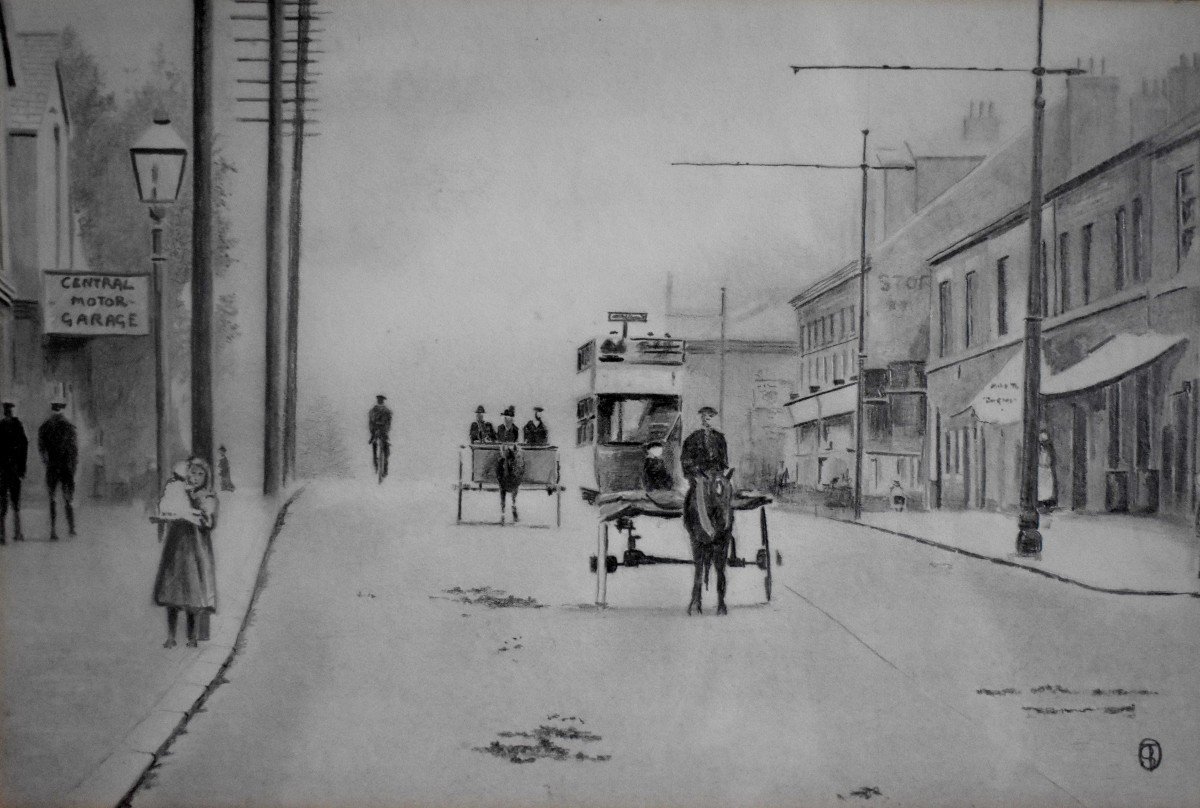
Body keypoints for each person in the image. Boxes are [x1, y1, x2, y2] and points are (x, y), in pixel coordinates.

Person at [153, 457, 218, 648]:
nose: (195, 477)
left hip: (195, 549)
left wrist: (196, 509)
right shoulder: (177, 489)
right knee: (172, 590)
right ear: (186, 472)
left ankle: (192, 637)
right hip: (176, 546)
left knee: (192, 592)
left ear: (206, 477)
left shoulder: (207, 496)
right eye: (193, 472)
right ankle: (171, 636)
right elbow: (166, 508)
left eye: (201, 474)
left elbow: (209, 522)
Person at [38, 397, 78, 541]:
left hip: (52, 467)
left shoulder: (45, 426)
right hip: (66, 467)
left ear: (52, 409)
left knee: (52, 498)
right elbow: (74, 451)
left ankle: (53, 530)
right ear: (62, 409)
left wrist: (46, 462)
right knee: (68, 498)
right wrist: (73, 467)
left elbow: (41, 449)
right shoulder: (69, 426)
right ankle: (71, 528)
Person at [0, 401, 29, 543]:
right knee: (16, 502)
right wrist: (22, 469)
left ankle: (2, 535)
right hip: (15, 470)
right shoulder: (18, 426)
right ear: (12, 412)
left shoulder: (0, 426)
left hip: (2, 471)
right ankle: (17, 533)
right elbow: (24, 447)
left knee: (2, 502)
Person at [681, 406, 729, 479]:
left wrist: (720, 471)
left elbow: (724, 458)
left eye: (710, 415)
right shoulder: (693, 437)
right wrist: (693, 470)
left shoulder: (720, 438)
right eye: (703, 415)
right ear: (701, 418)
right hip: (698, 473)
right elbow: (686, 458)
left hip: (715, 473)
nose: (706, 418)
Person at [368, 394, 392, 479]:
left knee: (381, 446)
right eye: (380, 400)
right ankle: (379, 465)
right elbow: (371, 422)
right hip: (379, 431)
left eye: (380, 400)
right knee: (378, 445)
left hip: (380, 431)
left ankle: (380, 466)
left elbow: (388, 423)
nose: (380, 401)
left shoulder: (375, 410)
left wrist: (373, 432)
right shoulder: (385, 410)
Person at [1037, 429, 1058, 517]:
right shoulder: (1038, 450)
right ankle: (1041, 504)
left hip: (1047, 469)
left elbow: (1052, 460)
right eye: (1042, 441)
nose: (1043, 444)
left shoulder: (1050, 450)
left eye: (1045, 441)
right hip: (1041, 469)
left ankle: (1048, 504)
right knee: (1041, 487)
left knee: (1048, 488)